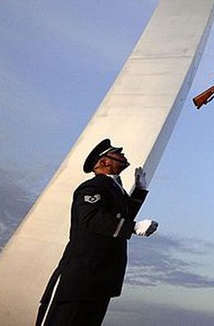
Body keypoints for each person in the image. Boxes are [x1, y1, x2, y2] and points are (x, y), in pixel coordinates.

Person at [36, 138, 158, 326]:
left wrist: (139, 191)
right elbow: (91, 218)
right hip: (81, 277)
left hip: (102, 278)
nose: (122, 154)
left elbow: (122, 214)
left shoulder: (115, 189)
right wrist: (132, 227)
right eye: (117, 152)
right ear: (104, 162)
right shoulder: (93, 187)